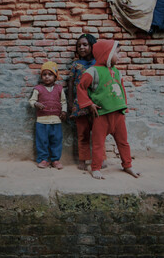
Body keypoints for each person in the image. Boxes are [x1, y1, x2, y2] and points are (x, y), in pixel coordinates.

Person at [77, 39, 140, 180]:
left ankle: (128, 165)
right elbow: (81, 87)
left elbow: (122, 89)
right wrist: (89, 103)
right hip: (101, 115)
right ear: (107, 54)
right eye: (117, 53)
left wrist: (124, 106)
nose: (119, 56)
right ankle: (96, 168)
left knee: (123, 142)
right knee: (98, 143)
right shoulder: (93, 71)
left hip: (118, 115)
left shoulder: (117, 72)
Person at [68, 33, 105, 171]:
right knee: (82, 133)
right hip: (80, 105)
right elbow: (71, 83)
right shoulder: (76, 64)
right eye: (79, 46)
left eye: (85, 45)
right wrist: (71, 103)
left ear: (92, 46)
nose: (81, 48)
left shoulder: (99, 63)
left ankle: (101, 159)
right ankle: (83, 160)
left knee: (99, 133)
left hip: (97, 104)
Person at [29, 61, 67, 169]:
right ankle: (43, 159)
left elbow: (63, 102)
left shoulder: (59, 89)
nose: (47, 77)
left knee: (56, 141)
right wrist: (36, 103)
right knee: (42, 141)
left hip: (56, 121)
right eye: (44, 74)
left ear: (55, 77)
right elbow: (31, 101)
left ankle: (55, 160)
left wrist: (64, 111)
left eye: (50, 74)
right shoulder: (38, 89)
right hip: (42, 121)